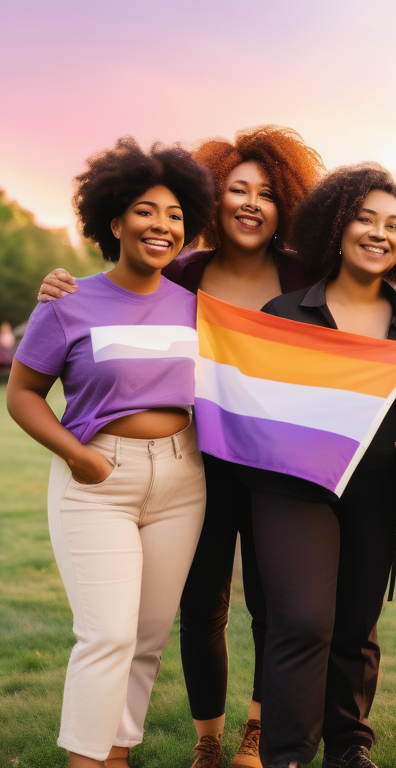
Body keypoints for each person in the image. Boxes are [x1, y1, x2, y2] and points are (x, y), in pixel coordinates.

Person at [38, 126, 326, 768]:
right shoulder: (185, 276)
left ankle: (252, 731)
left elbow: (366, 295)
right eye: (236, 190)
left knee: (265, 605)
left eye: (268, 192)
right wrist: (64, 286)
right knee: (188, 612)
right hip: (191, 463)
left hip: (273, 463)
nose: (251, 203)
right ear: (215, 203)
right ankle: (201, 738)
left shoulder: (305, 275)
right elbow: (110, 301)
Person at [7, 137, 215, 768]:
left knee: (148, 637)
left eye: (176, 214)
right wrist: (78, 455)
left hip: (183, 479)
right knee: (107, 634)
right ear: (115, 220)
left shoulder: (197, 309)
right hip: (99, 477)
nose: (163, 225)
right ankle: (87, 761)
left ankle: (118, 751)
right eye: (147, 210)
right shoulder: (68, 301)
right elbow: (23, 394)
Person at [237, 163, 396, 768]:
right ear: (334, 228)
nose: (379, 233)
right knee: (301, 620)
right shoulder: (286, 312)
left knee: (355, 623)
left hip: (379, 487)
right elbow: (257, 403)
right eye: (365, 219)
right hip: (295, 488)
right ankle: (288, 754)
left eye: (393, 225)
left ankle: (349, 746)